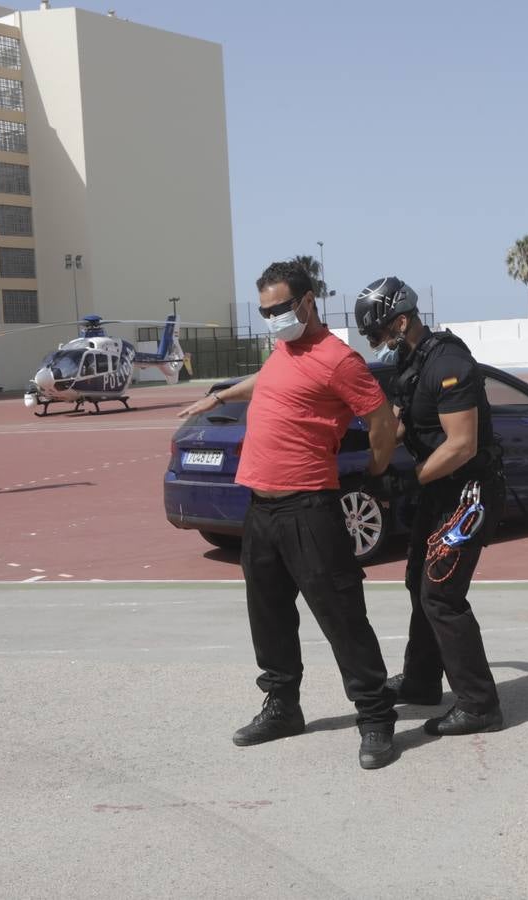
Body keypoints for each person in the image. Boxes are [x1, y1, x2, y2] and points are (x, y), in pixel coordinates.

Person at [177, 259, 400, 770]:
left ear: (306, 302)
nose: (272, 317)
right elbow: (268, 380)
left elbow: (381, 417)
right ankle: (283, 707)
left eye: (279, 308)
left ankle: (374, 717)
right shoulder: (284, 349)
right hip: (261, 508)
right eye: (265, 311)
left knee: (342, 617)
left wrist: (374, 470)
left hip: (310, 508)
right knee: (269, 616)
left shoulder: (339, 360)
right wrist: (219, 395)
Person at [354, 275, 507, 736]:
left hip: (468, 493)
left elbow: (461, 444)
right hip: (439, 491)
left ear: (401, 322)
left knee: (441, 593)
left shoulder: (449, 361)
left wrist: (411, 478)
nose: (377, 343)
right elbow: (404, 424)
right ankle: (422, 681)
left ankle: (480, 705)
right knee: (416, 580)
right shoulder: (409, 360)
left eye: (378, 334)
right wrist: (373, 456)